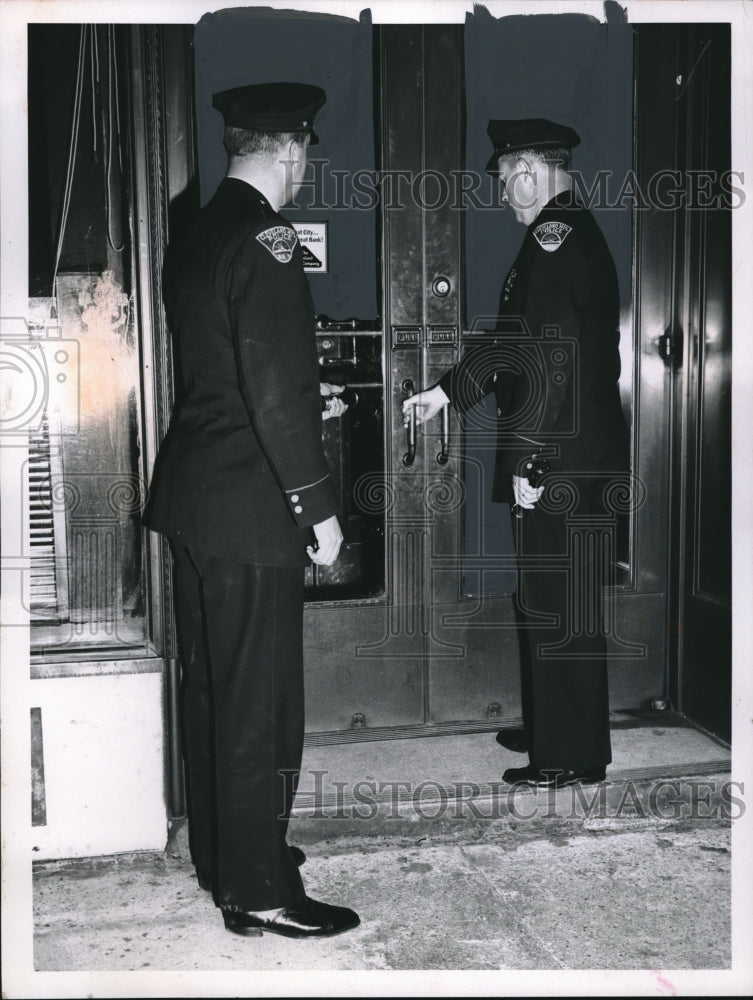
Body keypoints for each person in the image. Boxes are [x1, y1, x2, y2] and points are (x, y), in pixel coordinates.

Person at [143, 82, 359, 938]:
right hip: (252, 505)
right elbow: (270, 386)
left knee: (212, 690)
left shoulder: (196, 228)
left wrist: (308, 405)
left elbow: (233, 372)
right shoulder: (269, 241)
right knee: (259, 698)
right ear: (291, 149)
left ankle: (225, 857)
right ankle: (261, 889)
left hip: (197, 495)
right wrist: (319, 509)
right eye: (305, 152)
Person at [403, 118, 629, 789]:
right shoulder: (557, 237)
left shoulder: (554, 242)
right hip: (574, 452)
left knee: (559, 602)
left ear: (530, 171)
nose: (504, 193)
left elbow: (548, 365)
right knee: (550, 597)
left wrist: (533, 464)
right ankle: (556, 726)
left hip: (559, 456)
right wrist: (447, 393)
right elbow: (514, 349)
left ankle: (568, 755)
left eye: (505, 179)